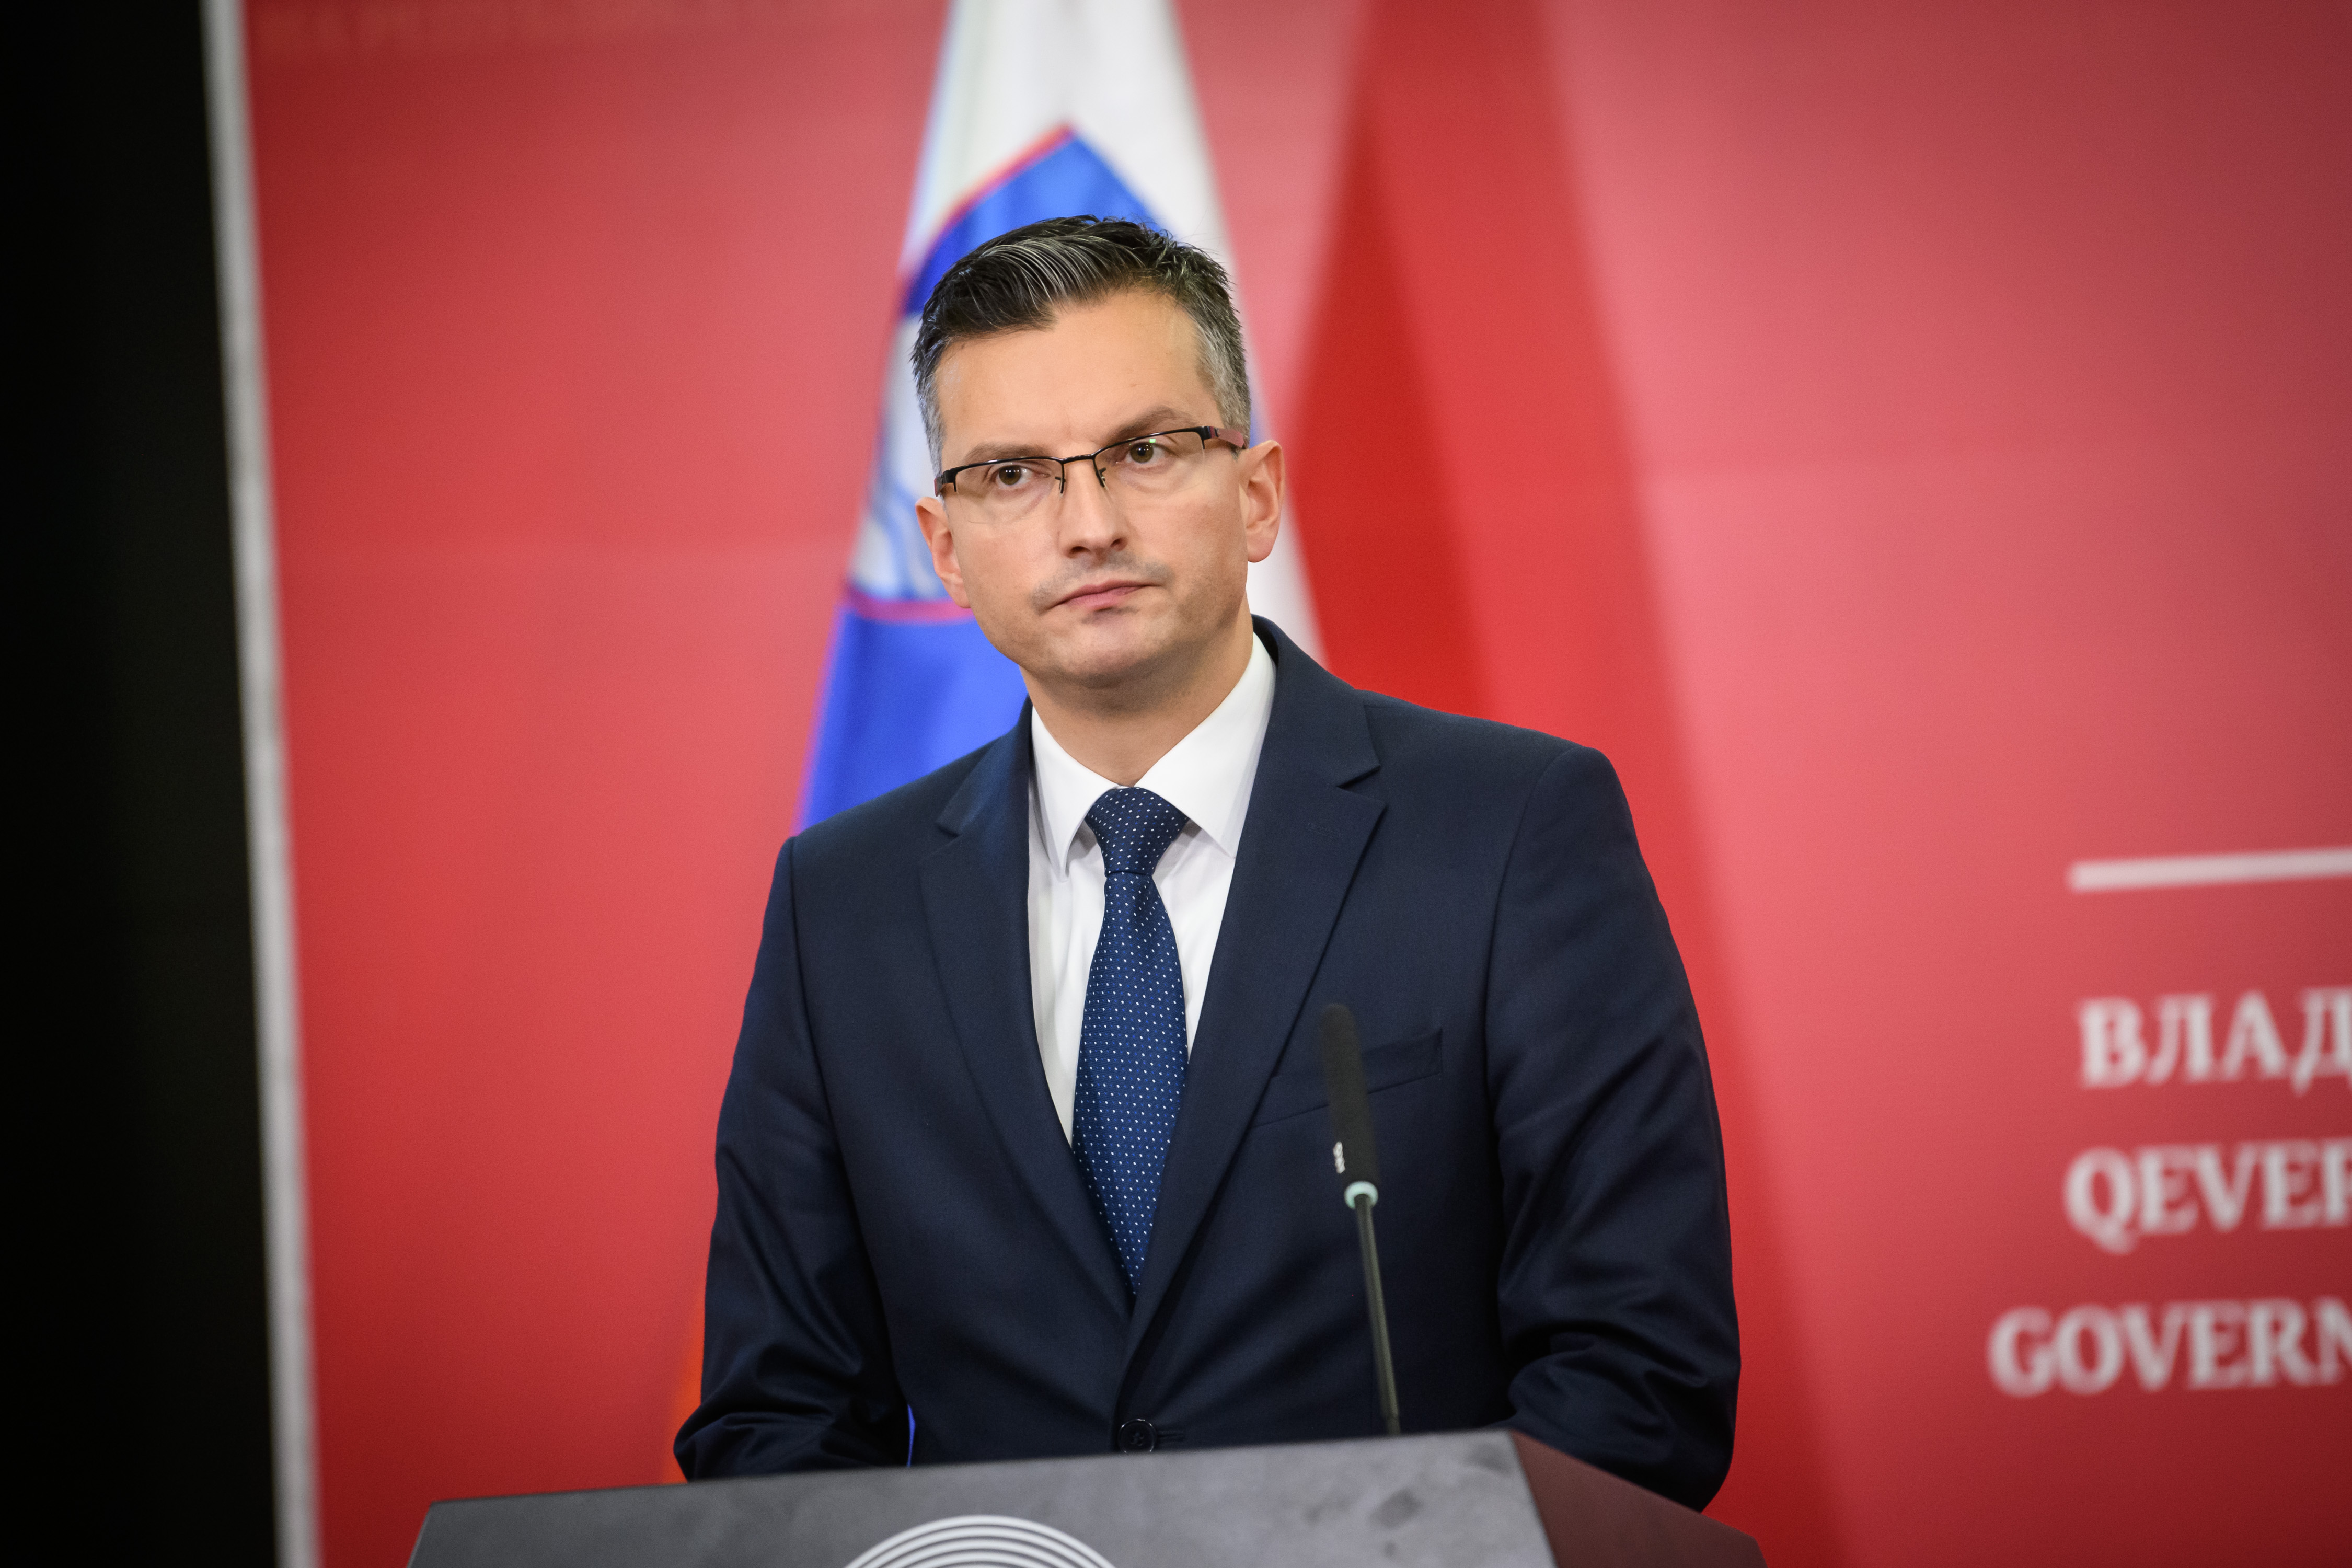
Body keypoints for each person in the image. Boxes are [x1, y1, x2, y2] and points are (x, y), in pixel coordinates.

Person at [676, 216, 1738, 1507]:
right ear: (945, 548)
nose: (1087, 524)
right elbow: (776, 1422)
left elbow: (1638, 1374)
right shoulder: (841, 907)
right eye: (1011, 474)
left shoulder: (1513, 830)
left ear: (1256, 494)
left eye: (1144, 451)